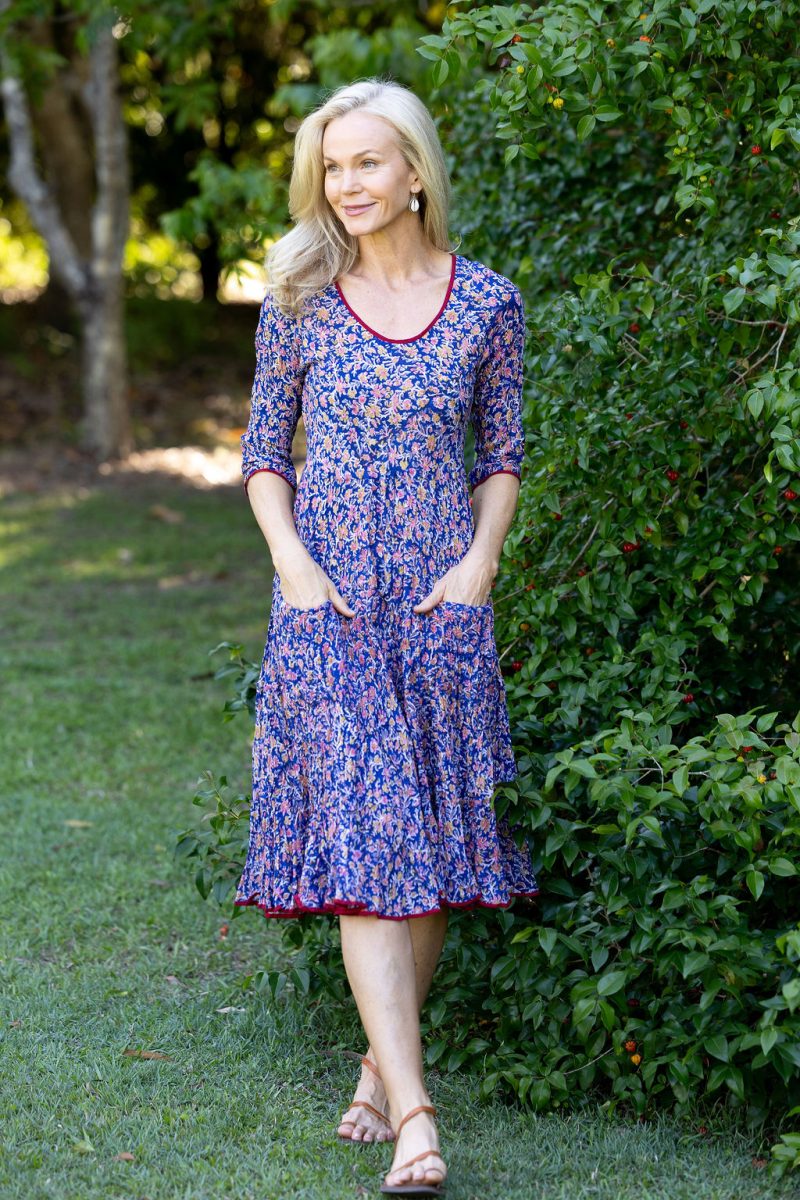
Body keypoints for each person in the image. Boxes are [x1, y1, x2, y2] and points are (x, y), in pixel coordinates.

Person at [233, 76, 540, 1198]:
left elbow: (500, 453)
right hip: (328, 606)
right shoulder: (300, 300)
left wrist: (478, 565)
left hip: (437, 601)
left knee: (428, 850)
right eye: (331, 166)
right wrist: (293, 568)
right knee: (369, 849)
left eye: (366, 161)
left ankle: (376, 1066)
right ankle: (417, 1117)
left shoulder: (487, 303)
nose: (345, 183)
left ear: (415, 172)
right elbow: (263, 454)